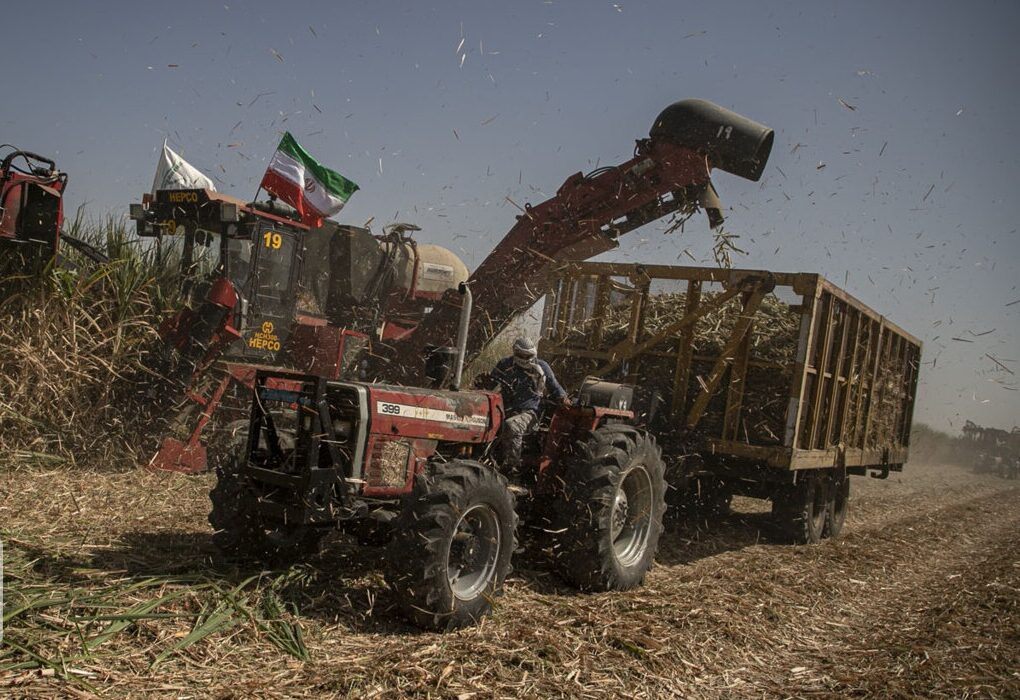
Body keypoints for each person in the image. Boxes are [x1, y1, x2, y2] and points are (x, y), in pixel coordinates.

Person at [484, 337, 569, 471]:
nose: (525, 359)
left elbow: (555, 387)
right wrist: (484, 381)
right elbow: (491, 383)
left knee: (512, 426)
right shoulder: (505, 365)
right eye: (521, 355)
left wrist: (564, 398)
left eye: (528, 356)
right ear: (515, 353)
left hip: (529, 413)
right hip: (503, 410)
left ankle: (512, 466)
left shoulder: (542, 367)